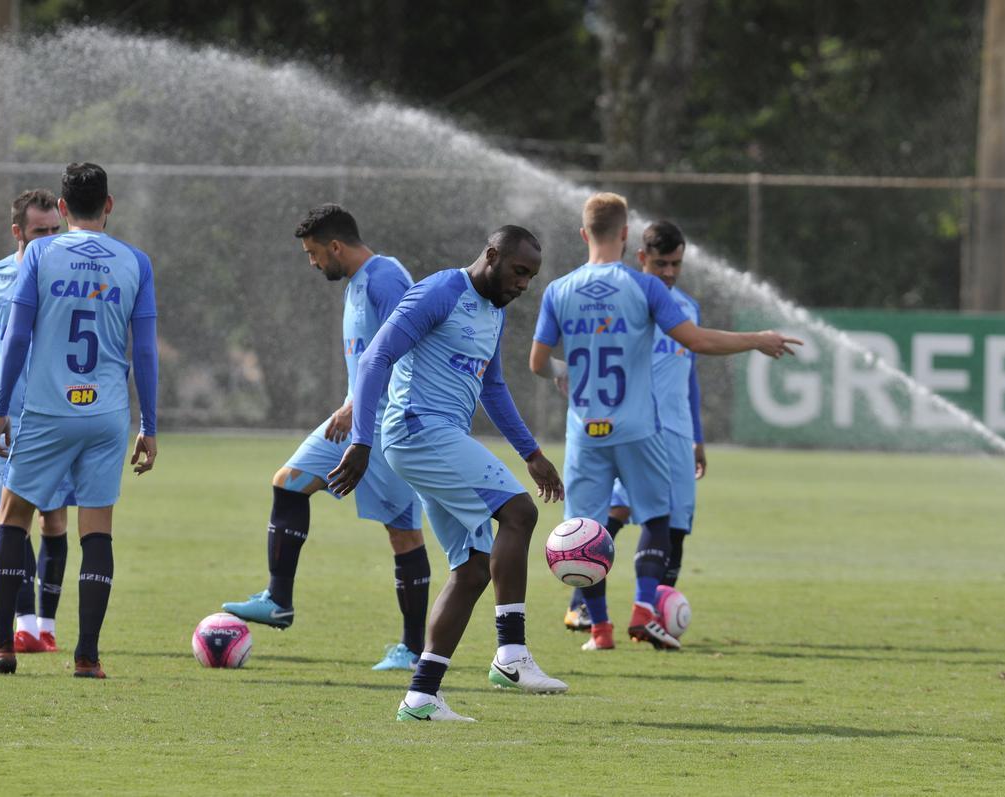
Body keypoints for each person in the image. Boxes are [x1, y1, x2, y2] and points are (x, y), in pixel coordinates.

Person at [530, 193, 799, 652]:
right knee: (656, 516)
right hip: (637, 428)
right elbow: (695, 341)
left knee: (586, 531)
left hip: (585, 432)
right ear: (625, 235)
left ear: (583, 235)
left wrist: (565, 374)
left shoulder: (559, 290)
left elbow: (538, 363)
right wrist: (755, 339)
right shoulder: (645, 287)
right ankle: (642, 611)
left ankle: (599, 630)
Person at [329, 225, 567, 723]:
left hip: (438, 438)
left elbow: (494, 388)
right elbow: (377, 357)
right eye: (519, 271)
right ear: (492, 255)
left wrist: (532, 453)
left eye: (531, 277)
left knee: (475, 567)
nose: (524, 284)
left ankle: (421, 696)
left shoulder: (493, 313)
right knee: (519, 512)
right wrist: (360, 440)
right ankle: (512, 654)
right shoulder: (441, 290)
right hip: (417, 431)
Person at [0, 162, 158, 679]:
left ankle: (0, 647)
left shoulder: (40, 255)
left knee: (14, 517)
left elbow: (18, 339)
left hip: (50, 410)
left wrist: (1, 407)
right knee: (96, 531)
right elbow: (144, 351)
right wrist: (151, 425)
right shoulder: (136, 262)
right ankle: (88, 656)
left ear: (65, 208)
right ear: (110, 205)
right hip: (108, 414)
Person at [221, 204, 430, 672]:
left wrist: (356, 406)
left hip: (385, 423)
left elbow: (410, 350)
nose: (312, 263)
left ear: (335, 246)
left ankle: (413, 648)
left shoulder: (385, 278)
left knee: (404, 534)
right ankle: (278, 599)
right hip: (354, 418)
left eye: (314, 254)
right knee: (288, 481)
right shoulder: (356, 285)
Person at [562, 220, 705, 636]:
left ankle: (648, 613)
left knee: (667, 523)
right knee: (625, 515)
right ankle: (588, 604)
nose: (669, 272)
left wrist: (698, 436)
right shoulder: (625, 302)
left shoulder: (688, 309)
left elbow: (689, 375)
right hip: (636, 430)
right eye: (661, 263)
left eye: (676, 264)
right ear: (641, 257)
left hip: (676, 432)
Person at [0, 189, 74, 655]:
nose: (48, 238)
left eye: (54, 229)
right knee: (12, 518)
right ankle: (24, 624)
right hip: (1, 416)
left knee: (55, 517)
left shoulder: (70, 275)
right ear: (17, 232)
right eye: (39, 231)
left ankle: (46, 623)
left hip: (55, 413)